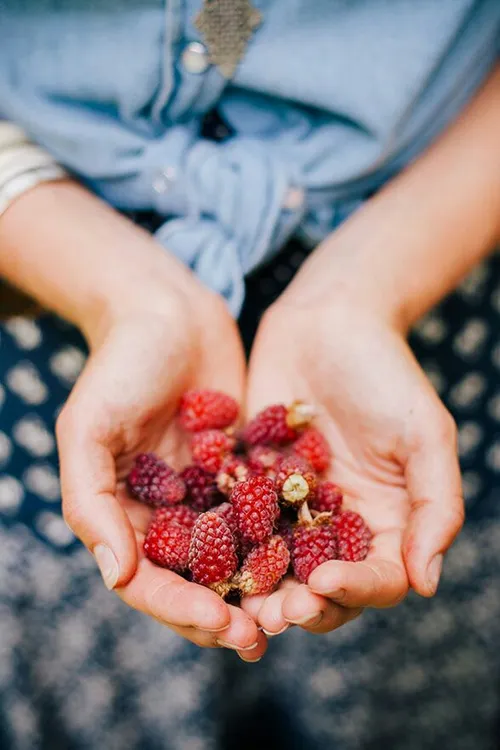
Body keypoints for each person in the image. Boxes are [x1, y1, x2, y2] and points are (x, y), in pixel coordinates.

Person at [0, 2, 499, 747]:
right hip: (57, 286)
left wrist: (371, 288)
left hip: (425, 272)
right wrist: (122, 292)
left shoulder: (263, 485)